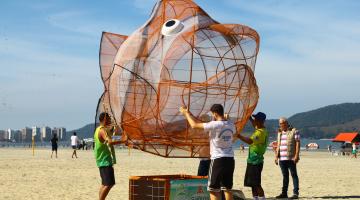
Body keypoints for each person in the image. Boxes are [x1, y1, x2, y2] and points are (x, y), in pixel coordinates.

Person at [180, 104, 235, 200]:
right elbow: (229, 127)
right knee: (227, 189)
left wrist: (186, 114)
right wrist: (227, 119)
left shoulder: (214, 125)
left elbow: (194, 125)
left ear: (215, 113)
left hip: (218, 159)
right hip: (230, 159)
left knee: (213, 189)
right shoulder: (231, 125)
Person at [236, 112, 268, 200]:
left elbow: (250, 141)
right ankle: (255, 198)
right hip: (252, 160)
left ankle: (262, 198)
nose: (255, 120)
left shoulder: (260, 133)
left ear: (261, 121)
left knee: (257, 183)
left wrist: (238, 135)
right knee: (252, 183)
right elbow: (255, 125)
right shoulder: (261, 129)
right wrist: (250, 118)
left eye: (256, 119)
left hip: (256, 161)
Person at [94, 112, 122, 200]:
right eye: (109, 119)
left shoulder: (99, 129)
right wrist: (123, 140)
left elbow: (110, 132)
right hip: (104, 161)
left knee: (104, 184)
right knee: (109, 183)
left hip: (102, 160)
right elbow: (109, 141)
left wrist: (115, 127)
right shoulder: (102, 130)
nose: (110, 120)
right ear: (105, 119)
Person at [275, 117, 300, 199]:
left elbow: (297, 143)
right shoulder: (280, 132)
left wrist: (296, 155)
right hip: (282, 158)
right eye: (279, 124)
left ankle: (295, 193)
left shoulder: (294, 131)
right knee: (285, 176)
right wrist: (276, 156)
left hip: (291, 157)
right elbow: (278, 144)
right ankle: (284, 193)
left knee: (294, 175)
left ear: (286, 123)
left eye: (281, 124)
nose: (280, 125)